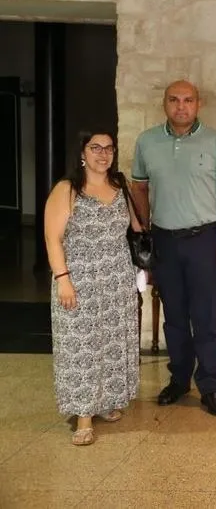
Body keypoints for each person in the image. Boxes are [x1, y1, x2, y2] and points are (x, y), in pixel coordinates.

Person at [130, 80, 216, 417]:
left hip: (204, 240)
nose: (181, 106)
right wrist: (144, 236)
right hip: (164, 240)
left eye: (188, 100)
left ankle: (210, 386)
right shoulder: (147, 142)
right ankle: (179, 380)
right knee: (174, 316)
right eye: (174, 100)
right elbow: (139, 189)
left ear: (199, 104)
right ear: (164, 103)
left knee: (206, 317)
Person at [45, 131, 141, 445]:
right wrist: (63, 279)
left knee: (111, 342)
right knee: (81, 346)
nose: (103, 154)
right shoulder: (67, 189)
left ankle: (104, 402)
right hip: (80, 278)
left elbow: (137, 227)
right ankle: (83, 417)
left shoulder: (118, 186)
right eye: (95, 148)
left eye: (108, 148)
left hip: (116, 278)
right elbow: (52, 239)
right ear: (82, 153)